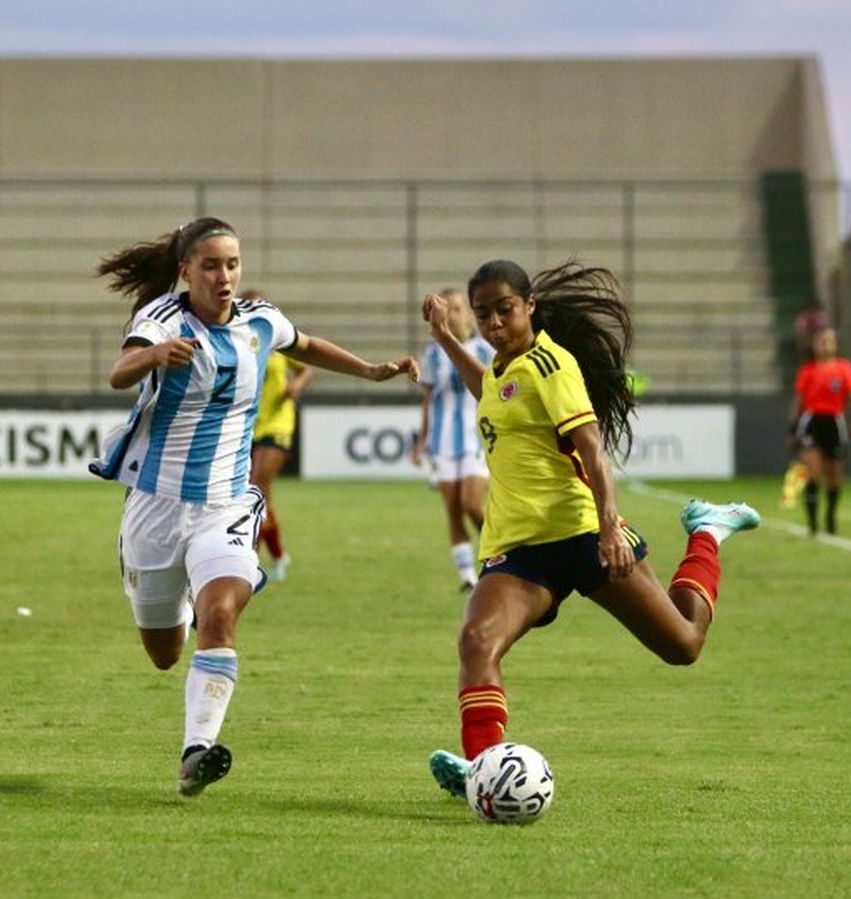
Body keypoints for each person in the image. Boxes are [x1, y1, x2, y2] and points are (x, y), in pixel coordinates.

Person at [91, 217, 417, 796]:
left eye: (233, 264)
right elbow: (120, 373)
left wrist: (369, 369)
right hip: (156, 508)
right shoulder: (160, 320)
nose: (225, 276)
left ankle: (197, 751)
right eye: (212, 266)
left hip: (227, 506)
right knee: (165, 654)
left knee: (221, 616)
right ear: (186, 271)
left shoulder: (259, 320)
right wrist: (156, 356)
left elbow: (305, 344)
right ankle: (186, 599)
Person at [421, 260, 760, 798]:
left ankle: (707, 533)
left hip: (584, 537)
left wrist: (608, 530)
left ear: (529, 306)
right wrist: (444, 336)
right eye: (482, 314)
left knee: (684, 644)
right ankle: (483, 769)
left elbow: (594, 452)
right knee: (476, 640)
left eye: (504, 310)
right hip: (519, 552)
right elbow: (484, 386)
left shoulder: (552, 366)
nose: (492, 324)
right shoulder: (504, 371)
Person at [410, 287, 494, 591]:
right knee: (453, 511)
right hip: (443, 442)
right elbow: (430, 397)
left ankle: (501, 555)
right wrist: (421, 440)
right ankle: (468, 578)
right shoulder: (433, 353)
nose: (454, 315)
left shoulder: (485, 350)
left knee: (473, 504)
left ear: (469, 313)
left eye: (459, 308)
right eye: (449, 310)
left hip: (476, 441)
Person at [245, 291, 313, 583]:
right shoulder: (240, 344)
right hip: (249, 427)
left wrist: (296, 385)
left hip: (278, 424)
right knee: (256, 495)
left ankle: (250, 558)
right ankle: (278, 556)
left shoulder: (277, 341)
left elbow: (306, 367)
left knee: (256, 487)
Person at [788, 325, 851, 535]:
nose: (825, 344)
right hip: (812, 421)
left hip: (834, 421)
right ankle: (812, 523)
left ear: (836, 344)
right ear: (814, 345)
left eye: (829, 340)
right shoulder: (808, 370)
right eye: (821, 340)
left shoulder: (844, 368)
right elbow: (798, 400)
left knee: (834, 476)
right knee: (813, 472)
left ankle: (830, 516)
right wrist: (792, 428)